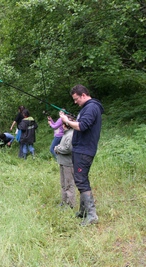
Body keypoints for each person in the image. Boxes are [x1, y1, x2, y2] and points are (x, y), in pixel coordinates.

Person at [59, 84, 104, 226]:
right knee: (80, 179)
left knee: (81, 179)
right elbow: (81, 123)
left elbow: (82, 126)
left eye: (76, 98)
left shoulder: (91, 107)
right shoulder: (86, 108)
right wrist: (70, 120)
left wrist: (66, 121)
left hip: (84, 150)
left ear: (84, 95)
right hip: (80, 149)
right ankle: (83, 211)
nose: (75, 102)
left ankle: (92, 215)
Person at [54, 118, 76, 208]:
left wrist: (57, 149)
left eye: (62, 124)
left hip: (68, 163)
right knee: (63, 184)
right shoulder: (66, 134)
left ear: (65, 125)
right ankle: (64, 202)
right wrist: (58, 147)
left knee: (69, 184)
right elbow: (63, 146)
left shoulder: (70, 135)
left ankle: (70, 204)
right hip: (62, 162)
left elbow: (68, 149)